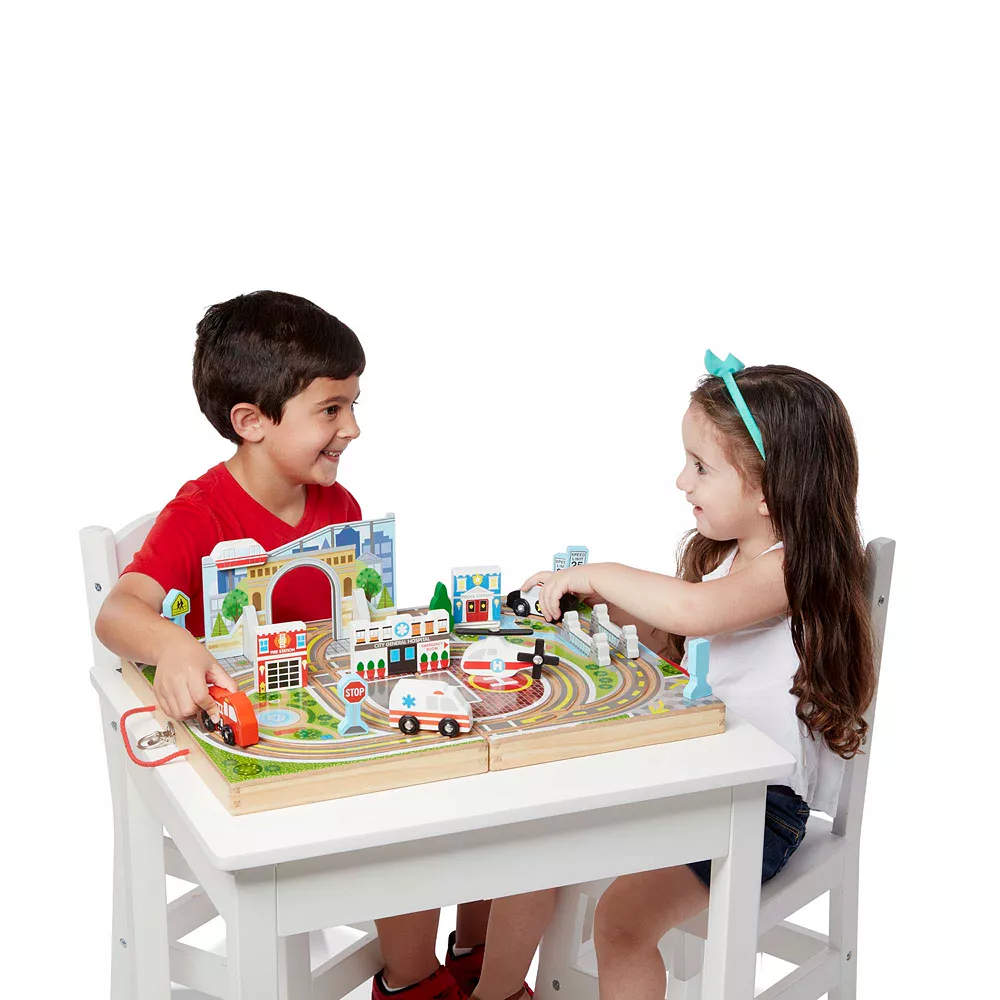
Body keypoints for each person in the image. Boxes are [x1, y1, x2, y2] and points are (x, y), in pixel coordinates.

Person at [95, 290, 490, 1000]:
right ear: (251, 422)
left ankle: (455, 964)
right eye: (331, 409)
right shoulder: (198, 515)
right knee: (405, 811)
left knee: (445, 786)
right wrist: (173, 644)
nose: (354, 428)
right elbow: (117, 613)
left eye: (354, 405)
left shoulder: (338, 505)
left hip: (336, 725)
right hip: (252, 756)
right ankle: (412, 979)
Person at [470, 352, 876, 1000]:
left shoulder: (790, 568)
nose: (682, 481)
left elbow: (695, 612)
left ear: (768, 487)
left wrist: (598, 573)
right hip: (694, 776)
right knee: (536, 838)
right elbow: (677, 634)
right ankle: (494, 993)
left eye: (701, 467)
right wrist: (594, 604)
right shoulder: (731, 560)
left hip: (757, 808)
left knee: (622, 923)